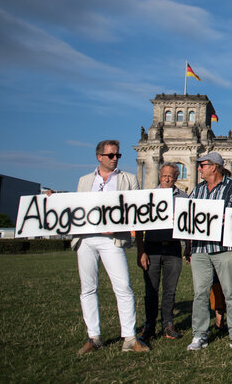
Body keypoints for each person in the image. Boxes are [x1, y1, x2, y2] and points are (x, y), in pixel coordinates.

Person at [71, 140, 149, 354]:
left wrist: (136, 242)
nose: (115, 158)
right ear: (99, 157)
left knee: (123, 286)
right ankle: (93, 337)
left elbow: (137, 211)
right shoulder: (84, 181)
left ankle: (130, 338)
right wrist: (51, 201)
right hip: (86, 239)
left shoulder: (128, 179)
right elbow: (74, 208)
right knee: (88, 288)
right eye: (111, 155)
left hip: (112, 240)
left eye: (117, 155)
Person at [186, 152, 232, 351]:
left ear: (214, 167)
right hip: (200, 249)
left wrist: (229, 223)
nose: (199, 168)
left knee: (231, 292)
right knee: (200, 293)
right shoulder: (198, 190)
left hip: (222, 248)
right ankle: (199, 334)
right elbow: (187, 215)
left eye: (202, 165)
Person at [137, 163, 187, 342]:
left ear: (176, 178)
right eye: (164, 175)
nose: (167, 179)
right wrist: (140, 250)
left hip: (173, 247)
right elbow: (138, 224)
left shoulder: (182, 196)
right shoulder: (149, 196)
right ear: (159, 176)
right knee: (151, 289)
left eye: (171, 176)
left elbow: (187, 224)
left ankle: (168, 324)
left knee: (170, 290)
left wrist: (187, 247)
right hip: (152, 247)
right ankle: (149, 325)